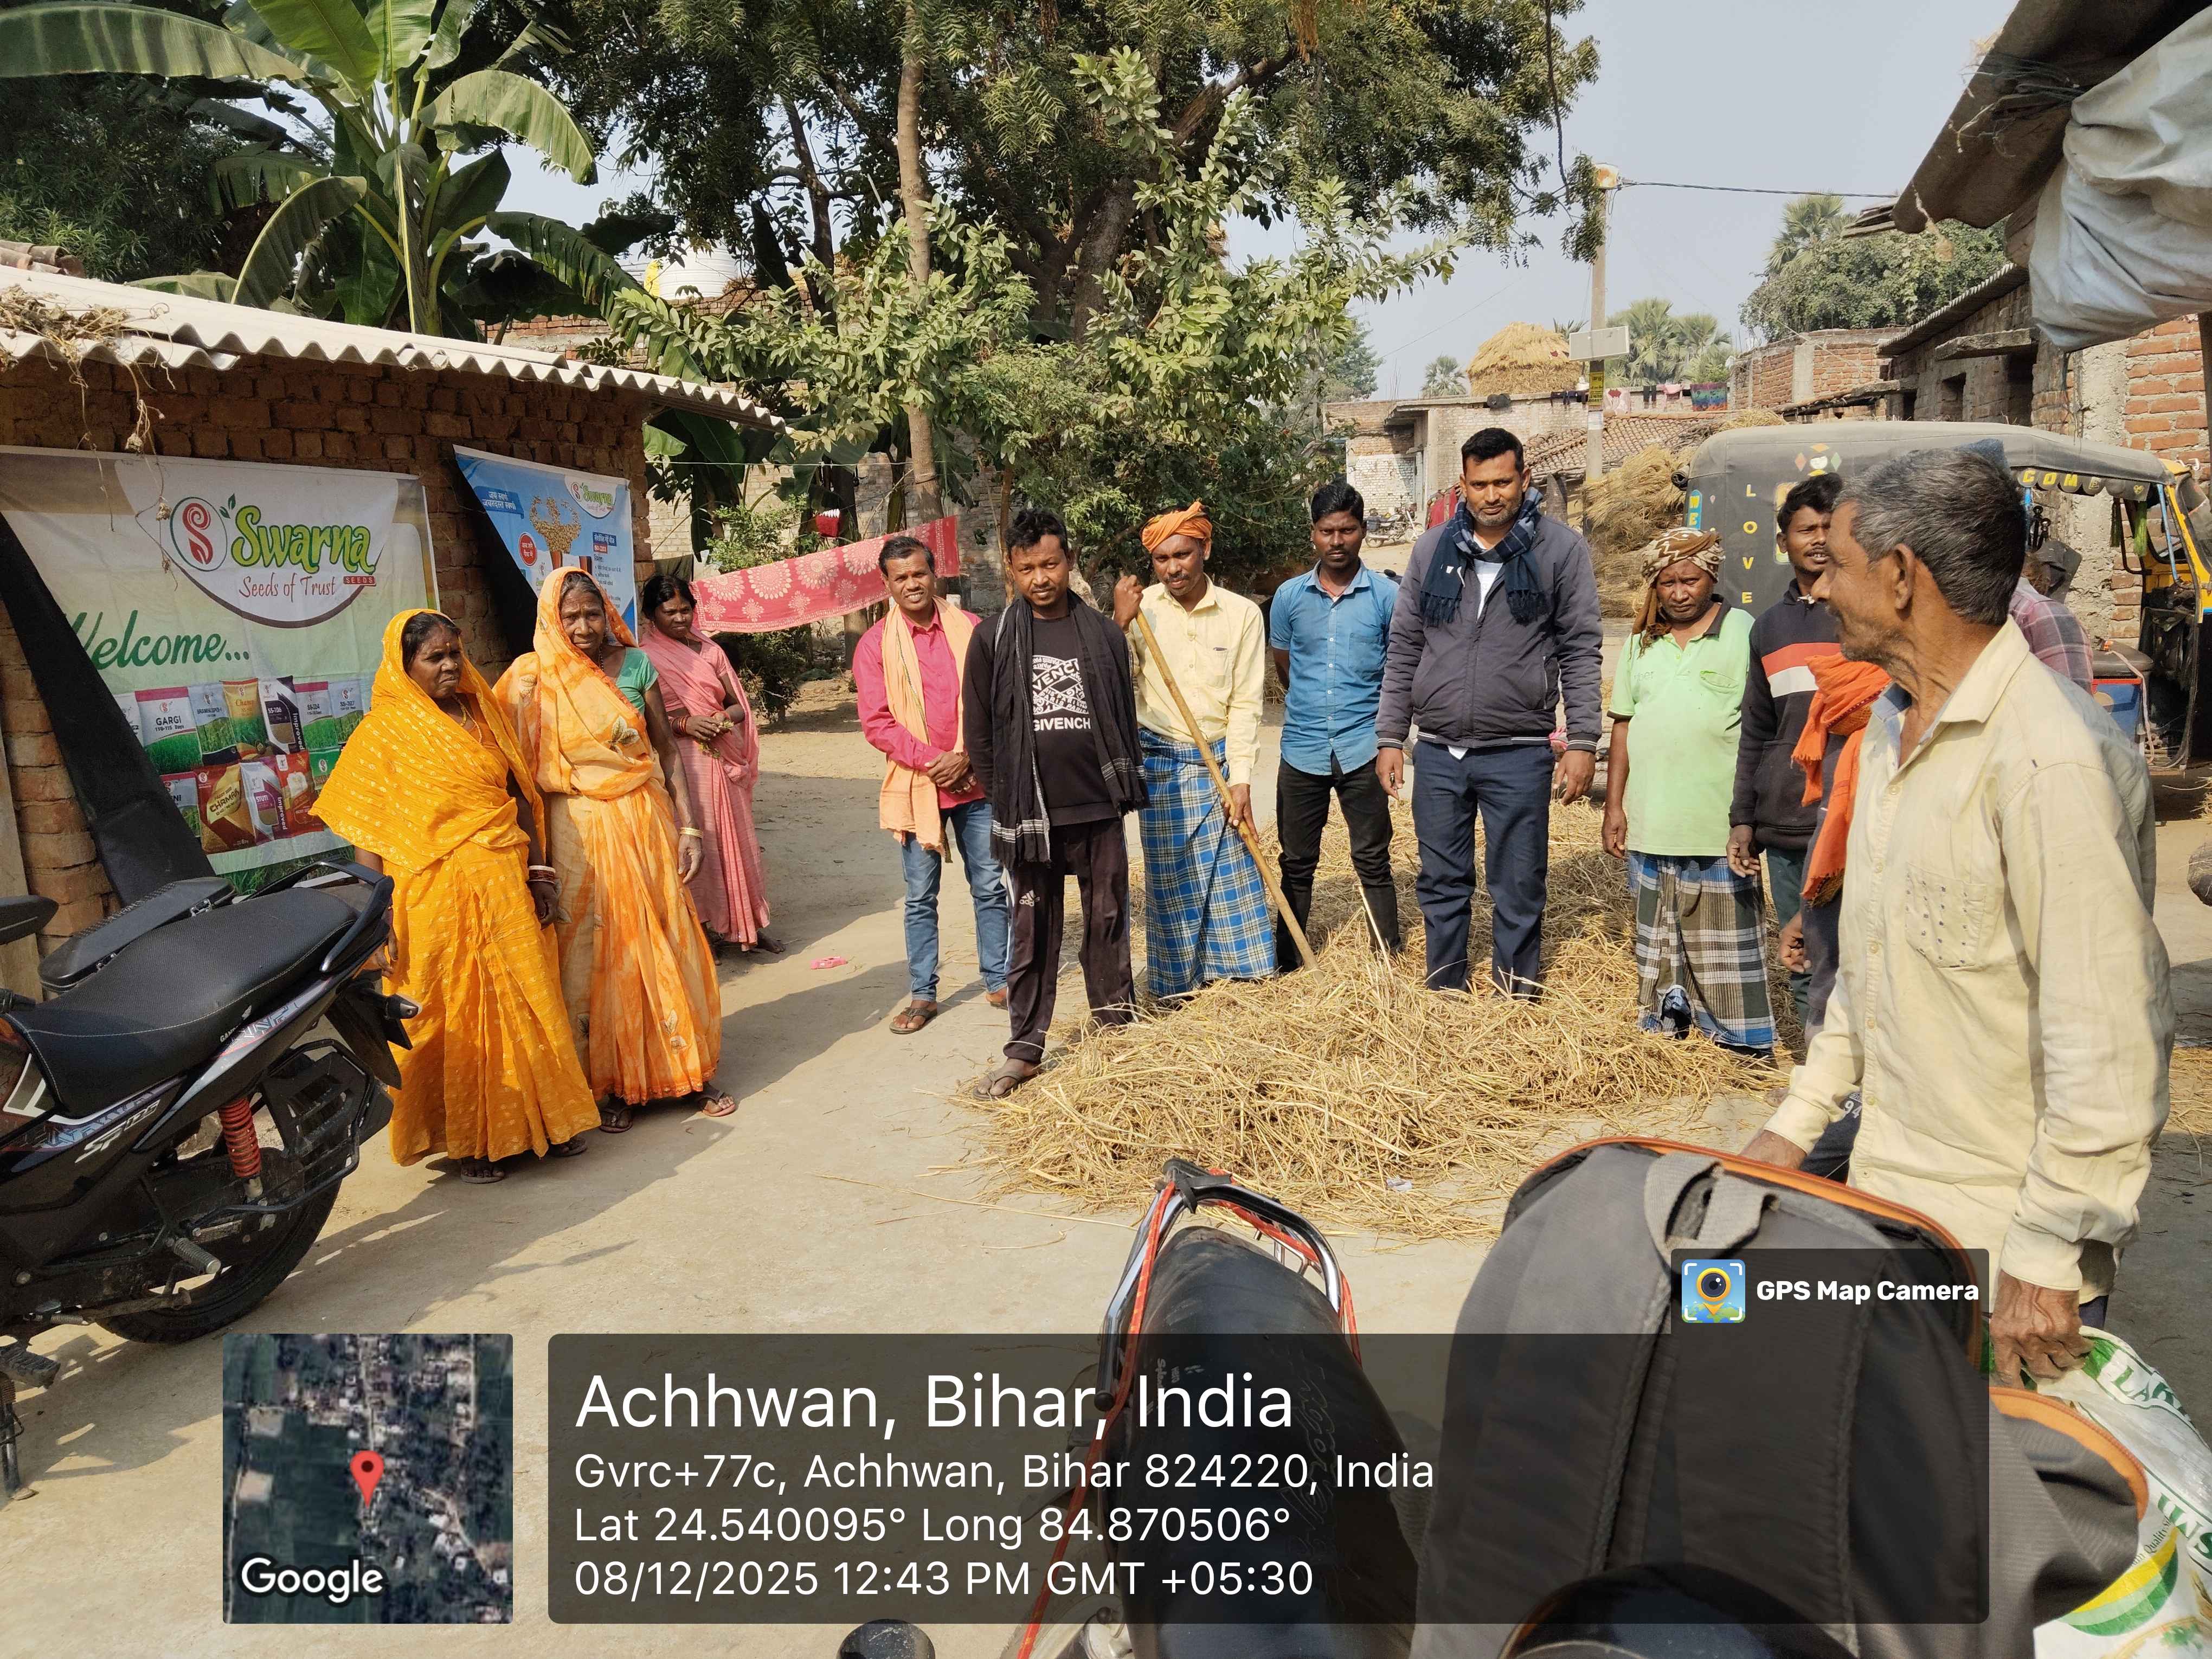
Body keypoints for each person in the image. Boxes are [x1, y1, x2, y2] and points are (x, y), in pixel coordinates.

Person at [1742, 447, 2172, 1385]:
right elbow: (1871, 965)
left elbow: (2110, 1040)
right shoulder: (1893, 724)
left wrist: (2049, 1255)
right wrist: (1798, 1124)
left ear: (1902, 578)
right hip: (1896, 1207)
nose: (1822, 586)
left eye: (1838, 565)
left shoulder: (2049, 761)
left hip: (2005, 1243)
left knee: (1998, 1476)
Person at [316, 610, 599, 1184]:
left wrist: (540, 873)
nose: (450, 666)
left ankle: (550, 1120)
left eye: (455, 653)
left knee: (527, 997)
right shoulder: (382, 733)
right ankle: (469, 1140)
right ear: (405, 665)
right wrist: (374, 915)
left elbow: (517, 792)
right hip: (430, 895)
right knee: (448, 1012)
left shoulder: (482, 712)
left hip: (503, 880)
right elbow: (368, 834)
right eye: (435, 657)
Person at [494, 568, 736, 1131]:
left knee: (664, 936)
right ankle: (611, 1083)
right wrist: (534, 862)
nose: (583, 627)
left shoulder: (636, 665)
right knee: (594, 952)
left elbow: (667, 751)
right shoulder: (530, 679)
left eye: (592, 614)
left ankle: (687, 1071)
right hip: (577, 830)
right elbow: (515, 775)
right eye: (570, 617)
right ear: (552, 619)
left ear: (608, 613)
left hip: (643, 817)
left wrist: (690, 829)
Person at [1376, 427, 1603, 995]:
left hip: (1518, 751)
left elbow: (1580, 648)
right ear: (1463, 485)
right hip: (1440, 751)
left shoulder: (1560, 550)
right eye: (1480, 485)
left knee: (1518, 882)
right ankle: (1445, 987)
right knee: (1441, 879)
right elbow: (1405, 647)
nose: (1492, 495)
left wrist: (1582, 742)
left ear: (1524, 479)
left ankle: (1515, 991)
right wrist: (1390, 736)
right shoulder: (1432, 550)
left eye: (1503, 482)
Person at [965, 508, 1147, 1096]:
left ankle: (1115, 1031)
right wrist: (1004, 801)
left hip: (1097, 807)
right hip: (1030, 817)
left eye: (1050, 564)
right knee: (1032, 933)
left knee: (1108, 921)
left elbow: (1122, 716)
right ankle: (1024, 1050)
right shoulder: (992, 638)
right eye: (1027, 569)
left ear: (1069, 560)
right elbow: (980, 734)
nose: (1040, 578)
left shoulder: (1103, 634)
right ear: (1011, 570)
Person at [1601, 529, 1772, 1058]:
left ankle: (1739, 1039)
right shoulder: (1641, 643)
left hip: (1716, 820)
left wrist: (1750, 813)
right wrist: (1614, 806)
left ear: (1711, 578)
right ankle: (1668, 1020)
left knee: (1724, 935)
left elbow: (1760, 724)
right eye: (1668, 582)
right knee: (1660, 934)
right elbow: (1624, 725)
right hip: (1652, 818)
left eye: (1690, 580)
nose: (1679, 592)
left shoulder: (1743, 631)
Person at [1111, 501, 1272, 999]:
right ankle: (1177, 985)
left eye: (1182, 555)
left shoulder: (1242, 614)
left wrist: (1241, 779)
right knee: (1170, 879)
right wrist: (1118, 625)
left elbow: (1247, 703)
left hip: (1219, 760)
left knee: (1234, 872)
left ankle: (1239, 978)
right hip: (1160, 759)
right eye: (1161, 559)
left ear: (1206, 549)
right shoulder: (1140, 610)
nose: (1173, 568)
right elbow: (1113, 680)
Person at [853, 533, 1011, 1034]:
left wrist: (966, 758)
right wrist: (934, 762)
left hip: (976, 781)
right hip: (917, 787)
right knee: (921, 896)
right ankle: (923, 994)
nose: (912, 584)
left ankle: (1000, 979)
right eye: (900, 577)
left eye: (919, 573)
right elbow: (878, 723)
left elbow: (999, 701)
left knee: (990, 885)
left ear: (934, 574)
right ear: (886, 584)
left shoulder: (973, 629)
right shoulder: (874, 645)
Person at [1268, 480, 1402, 967]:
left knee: (1372, 857)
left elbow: (1398, 671)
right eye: (1327, 531)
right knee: (1296, 861)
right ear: (1313, 534)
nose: (1337, 541)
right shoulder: (1288, 597)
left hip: (1364, 747)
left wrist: (1389, 739)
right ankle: (1289, 961)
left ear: (1363, 531)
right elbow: (1284, 664)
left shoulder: (1387, 596)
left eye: (1347, 530)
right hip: (1301, 749)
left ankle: (1387, 955)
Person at [1726, 473, 1843, 1023]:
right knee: (1804, 956)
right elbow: (1757, 731)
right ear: (1783, 542)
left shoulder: (1866, 616)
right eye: (1806, 529)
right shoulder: (1769, 628)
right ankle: (1815, 1061)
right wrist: (1743, 818)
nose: (1818, 540)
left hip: (1853, 815)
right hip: (1790, 819)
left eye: (1829, 528)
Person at [638, 571, 781, 956]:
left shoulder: (710, 651)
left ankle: (750, 925)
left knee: (738, 840)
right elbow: (645, 719)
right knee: (697, 841)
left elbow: (738, 706)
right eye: (670, 612)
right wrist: (685, 724)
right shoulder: (643, 657)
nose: (680, 618)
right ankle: (703, 933)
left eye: (686, 610)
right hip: (683, 763)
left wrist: (721, 719)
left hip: (722, 755)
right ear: (651, 615)